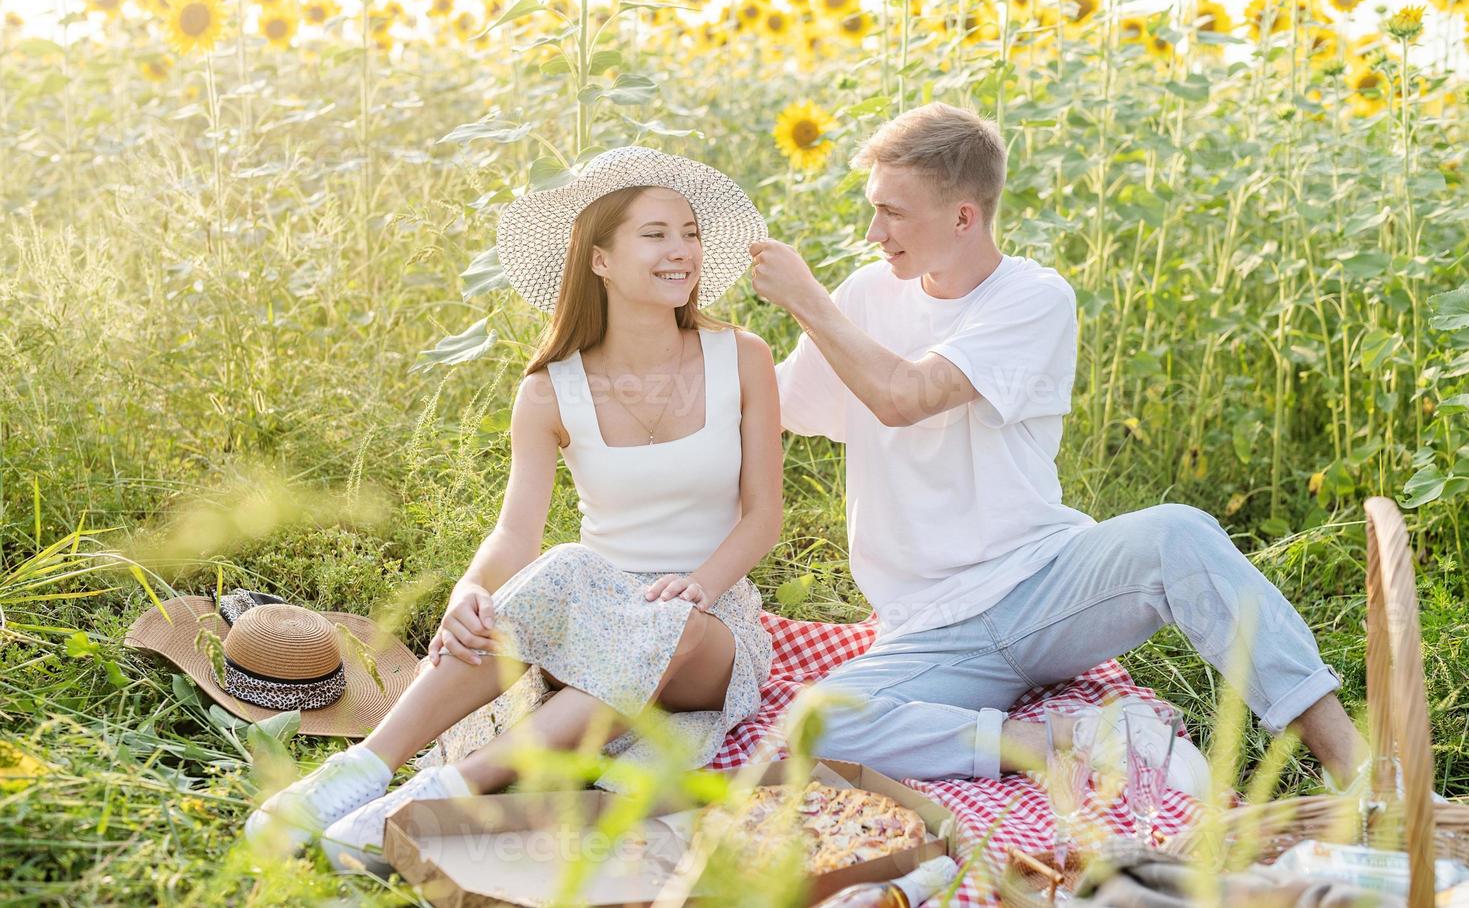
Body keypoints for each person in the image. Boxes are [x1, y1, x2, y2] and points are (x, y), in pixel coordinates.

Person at [749, 102, 1368, 791]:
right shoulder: (864, 296)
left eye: (893, 213)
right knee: (816, 723)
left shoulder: (1033, 297)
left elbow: (906, 397)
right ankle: (1054, 739)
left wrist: (805, 298)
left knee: (1178, 533)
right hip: (927, 630)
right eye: (874, 208)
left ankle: (1366, 774)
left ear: (962, 216)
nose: (873, 233)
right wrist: (650, 370)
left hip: (1044, 589)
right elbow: (771, 406)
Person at [244, 147, 780, 874]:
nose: (681, 250)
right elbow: (515, 532)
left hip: (711, 630)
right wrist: (469, 593)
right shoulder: (549, 391)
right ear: (598, 259)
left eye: (689, 232)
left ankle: (441, 794)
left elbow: (762, 517)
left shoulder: (741, 357)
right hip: (592, 616)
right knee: (562, 563)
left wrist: (702, 585)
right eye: (656, 234)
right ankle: (362, 772)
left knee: (668, 622)